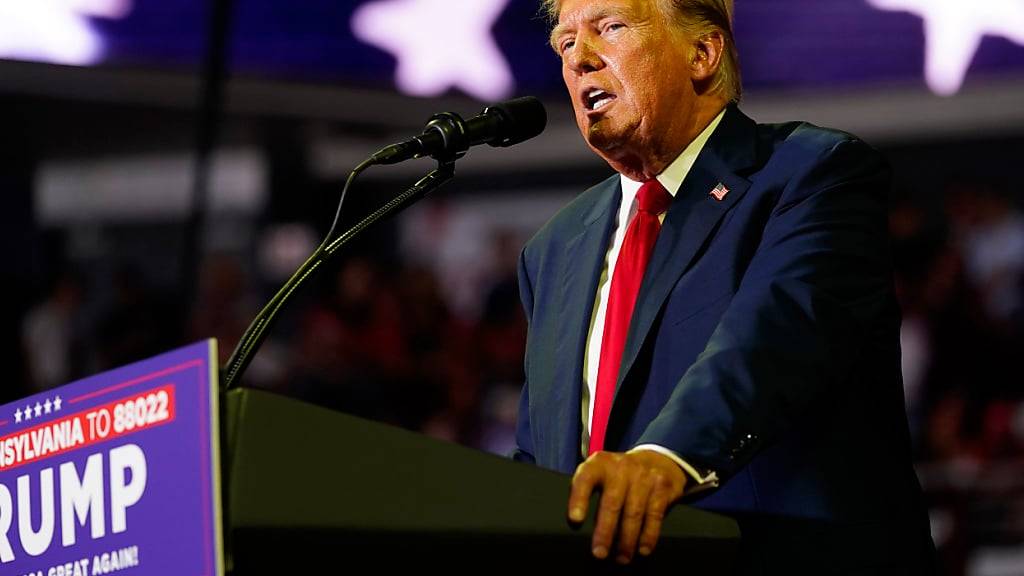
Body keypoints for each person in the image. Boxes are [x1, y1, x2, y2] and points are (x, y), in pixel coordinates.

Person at [512, 0, 936, 571]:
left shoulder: (811, 175)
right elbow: (539, 455)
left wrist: (664, 459)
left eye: (609, 28)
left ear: (702, 52)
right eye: (566, 43)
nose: (581, 60)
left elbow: (772, 343)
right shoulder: (553, 251)